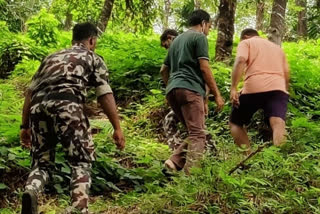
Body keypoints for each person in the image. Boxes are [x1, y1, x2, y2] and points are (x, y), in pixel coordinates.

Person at [20, 22, 125, 214]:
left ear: (72, 39)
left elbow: (29, 92)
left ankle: (31, 190)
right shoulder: (93, 57)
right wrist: (117, 127)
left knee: (41, 163)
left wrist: (24, 125)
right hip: (68, 106)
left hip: (38, 108)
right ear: (92, 40)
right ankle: (78, 208)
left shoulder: (50, 57)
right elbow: (104, 94)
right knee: (81, 161)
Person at [160, 10, 224, 174]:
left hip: (173, 90)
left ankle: (173, 162)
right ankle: (191, 177)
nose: (209, 30)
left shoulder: (176, 40)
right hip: (190, 89)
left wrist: (171, 86)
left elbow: (163, 70)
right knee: (198, 134)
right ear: (203, 23)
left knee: (194, 131)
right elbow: (204, 68)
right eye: (209, 26)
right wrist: (216, 95)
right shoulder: (199, 37)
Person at [229, 28, 290, 154]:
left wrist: (234, 87)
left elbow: (240, 60)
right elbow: (286, 73)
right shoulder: (278, 49)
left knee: (235, 123)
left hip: (254, 87)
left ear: (245, 36)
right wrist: (284, 90)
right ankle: (281, 161)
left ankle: (247, 156)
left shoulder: (246, 42)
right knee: (278, 122)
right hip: (278, 87)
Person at [160, 29, 215, 152]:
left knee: (196, 130)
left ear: (169, 38)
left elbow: (205, 72)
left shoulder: (183, 44)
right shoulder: (185, 45)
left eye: (165, 45)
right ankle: (183, 155)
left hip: (190, 91)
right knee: (196, 130)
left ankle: (209, 153)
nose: (166, 48)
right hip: (188, 91)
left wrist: (206, 99)